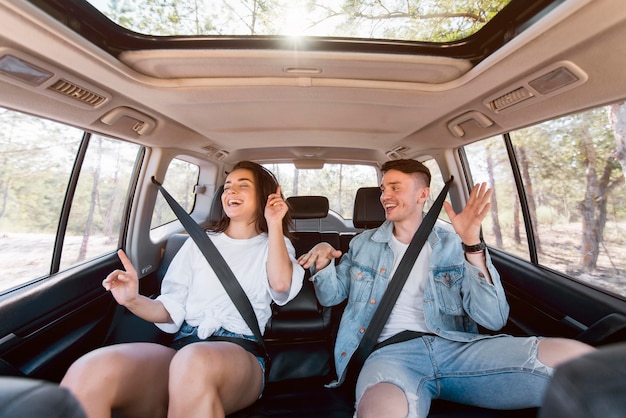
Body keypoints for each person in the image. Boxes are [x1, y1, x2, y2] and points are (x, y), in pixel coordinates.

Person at [298, 159, 594, 418]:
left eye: (395, 187)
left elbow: (493, 319)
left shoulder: (455, 243)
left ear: (423, 194)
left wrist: (473, 246)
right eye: (383, 189)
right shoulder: (363, 244)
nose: (384, 195)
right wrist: (323, 257)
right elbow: (330, 296)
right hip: (389, 354)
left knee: (574, 356)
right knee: (380, 410)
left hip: (456, 346)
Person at [61, 161, 304, 418]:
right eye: (227, 186)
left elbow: (280, 285)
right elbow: (170, 310)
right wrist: (132, 300)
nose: (230, 192)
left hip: (240, 351)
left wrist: (275, 223)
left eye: (243, 186)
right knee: (91, 369)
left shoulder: (275, 245)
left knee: (193, 361)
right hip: (184, 347)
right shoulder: (197, 244)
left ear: (266, 197)